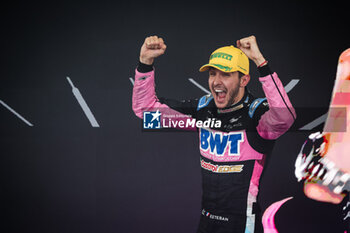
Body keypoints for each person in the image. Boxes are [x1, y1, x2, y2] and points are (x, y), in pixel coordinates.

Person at [132, 35, 296, 233]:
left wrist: (261, 64)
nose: (216, 82)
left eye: (225, 74)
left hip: (243, 225)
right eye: (212, 74)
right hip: (207, 222)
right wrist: (145, 63)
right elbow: (146, 112)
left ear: (244, 79)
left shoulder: (256, 113)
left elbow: (285, 118)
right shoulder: (203, 109)